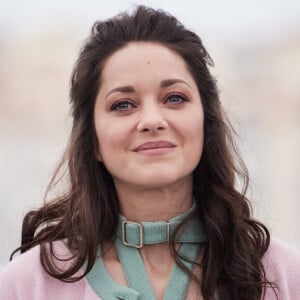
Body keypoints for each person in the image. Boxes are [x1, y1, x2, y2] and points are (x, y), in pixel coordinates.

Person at [0, 5, 299, 300]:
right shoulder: (26, 285)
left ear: (206, 123)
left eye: (174, 98)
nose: (152, 121)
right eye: (123, 104)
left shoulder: (281, 275)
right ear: (92, 140)